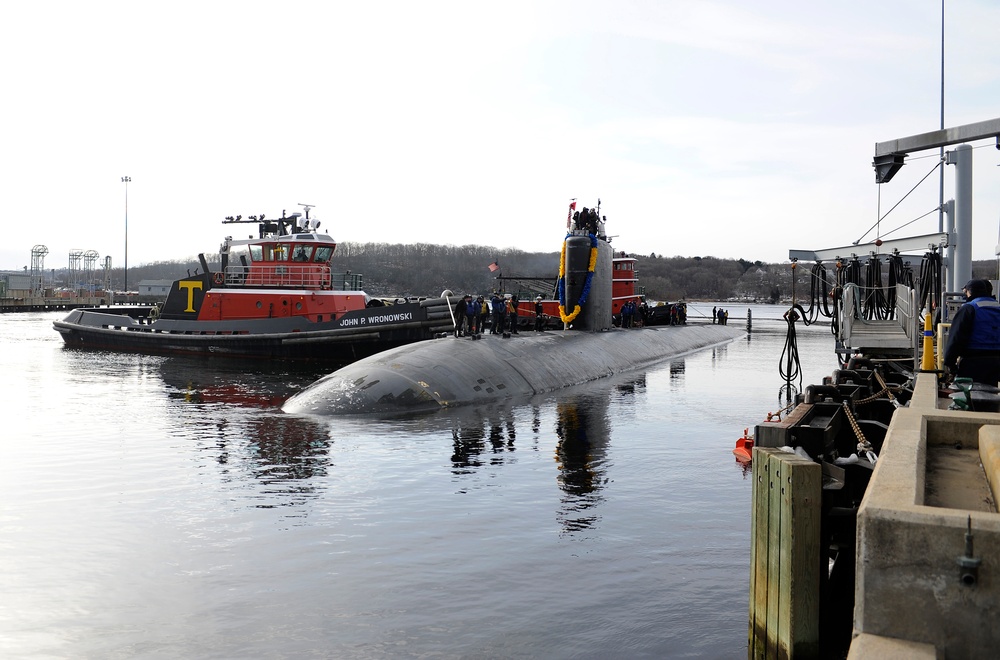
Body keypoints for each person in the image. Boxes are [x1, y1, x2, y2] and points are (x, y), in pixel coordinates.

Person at [944, 279, 1000, 385]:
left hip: (973, 361)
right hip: (996, 361)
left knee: (968, 395)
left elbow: (956, 337)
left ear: (970, 291)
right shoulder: (997, 307)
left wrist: (950, 363)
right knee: (990, 393)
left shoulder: (969, 308)